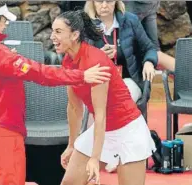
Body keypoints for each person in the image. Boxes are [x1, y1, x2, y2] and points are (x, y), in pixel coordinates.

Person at [0, 2, 111, 185]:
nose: (6, 25)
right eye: (3, 21)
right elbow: (41, 73)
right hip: (3, 136)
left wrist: (8, 58)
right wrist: (82, 75)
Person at [50, 10, 156, 185]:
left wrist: (94, 158)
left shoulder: (95, 60)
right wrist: (71, 144)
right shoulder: (67, 61)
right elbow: (74, 107)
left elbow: (100, 114)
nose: (52, 36)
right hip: (103, 130)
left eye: (58, 32)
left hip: (128, 129)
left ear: (75, 35)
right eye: (53, 31)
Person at [84, 1, 157, 102]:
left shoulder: (130, 20)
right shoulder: (85, 25)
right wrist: (98, 57)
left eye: (109, 1)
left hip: (128, 79)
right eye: (100, 1)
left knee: (119, 101)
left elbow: (149, 48)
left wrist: (149, 62)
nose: (104, 5)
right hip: (97, 81)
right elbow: (77, 61)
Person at [124, 1, 176, 72]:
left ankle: (187, 70)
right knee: (154, 49)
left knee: (153, 49)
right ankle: (186, 70)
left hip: (143, 5)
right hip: (145, 5)